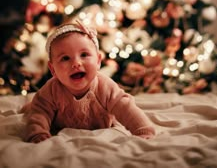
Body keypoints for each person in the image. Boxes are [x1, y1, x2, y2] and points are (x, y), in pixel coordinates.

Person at [23, 19, 156, 143]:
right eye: (65, 58)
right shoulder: (51, 90)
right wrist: (38, 134)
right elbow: (40, 113)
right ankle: (28, 106)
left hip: (101, 124)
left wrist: (142, 129)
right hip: (61, 127)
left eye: (84, 55)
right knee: (35, 106)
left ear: (98, 61)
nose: (76, 63)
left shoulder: (105, 86)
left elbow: (126, 108)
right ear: (52, 70)